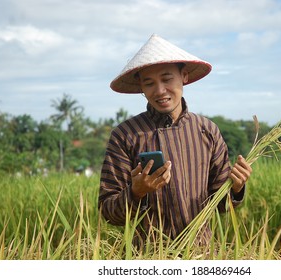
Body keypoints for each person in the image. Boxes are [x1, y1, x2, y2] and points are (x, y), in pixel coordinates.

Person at [99, 34, 252, 245]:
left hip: (202, 256)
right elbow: (107, 211)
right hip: (145, 259)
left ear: (184, 77)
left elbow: (221, 206)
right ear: (141, 89)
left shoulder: (207, 130)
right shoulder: (125, 135)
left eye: (167, 79)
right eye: (149, 83)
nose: (160, 90)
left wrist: (236, 188)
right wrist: (136, 192)